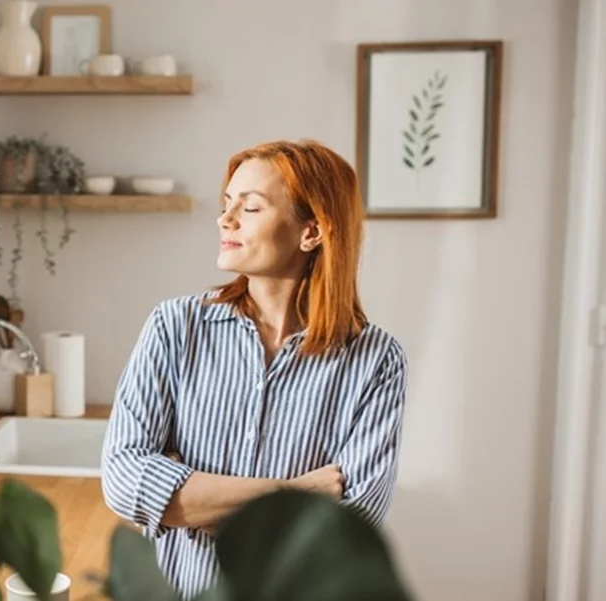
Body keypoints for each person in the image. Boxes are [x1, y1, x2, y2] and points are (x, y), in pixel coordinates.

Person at [100, 139, 408, 599]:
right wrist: (295, 491)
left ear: (312, 233)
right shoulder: (175, 328)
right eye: (227, 204)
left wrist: (190, 500)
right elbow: (126, 483)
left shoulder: (376, 361)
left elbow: (345, 531)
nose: (225, 219)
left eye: (251, 207)